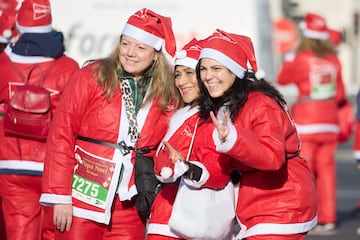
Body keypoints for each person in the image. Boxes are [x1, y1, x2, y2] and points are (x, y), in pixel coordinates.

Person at [39, 8, 178, 240]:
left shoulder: (166, 93)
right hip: (81, 199)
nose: (130, 53)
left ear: (155, 54)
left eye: (140, 47)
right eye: (125, 44)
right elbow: (62, 134)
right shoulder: (91, 76)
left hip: (130, 205)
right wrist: (60, 196)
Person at [190, 29, 317, 239]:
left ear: (235, 71)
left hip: (281, 202)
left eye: (216, 68)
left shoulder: (260, 103)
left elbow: (272, 156)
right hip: (259, 203)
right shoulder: (229, 103)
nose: (207, 76)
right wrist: (192, 170)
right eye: (203, 68)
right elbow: (226, 165)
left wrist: (233, 138)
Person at [0, 0, 80, 239]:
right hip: (54, 170)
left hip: (11, 165)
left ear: (19, 25)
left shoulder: (3, 64)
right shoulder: (69, 67)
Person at [277, 12, 346, 233]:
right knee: (327, 171)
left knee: (305, 171)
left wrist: (288, 58)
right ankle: (329, 218)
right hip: (329, 121)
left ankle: (306, 216)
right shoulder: (334, 59)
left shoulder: (302, 56)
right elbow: (340, 94)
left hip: (307, 121)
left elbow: (283, 78)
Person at [146, 38, 205, 239]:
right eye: (178, 75)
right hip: (168, 215)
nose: (181, 81)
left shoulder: (218, 117)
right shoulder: (175, 115)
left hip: (202, 218)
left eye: (189, 73)